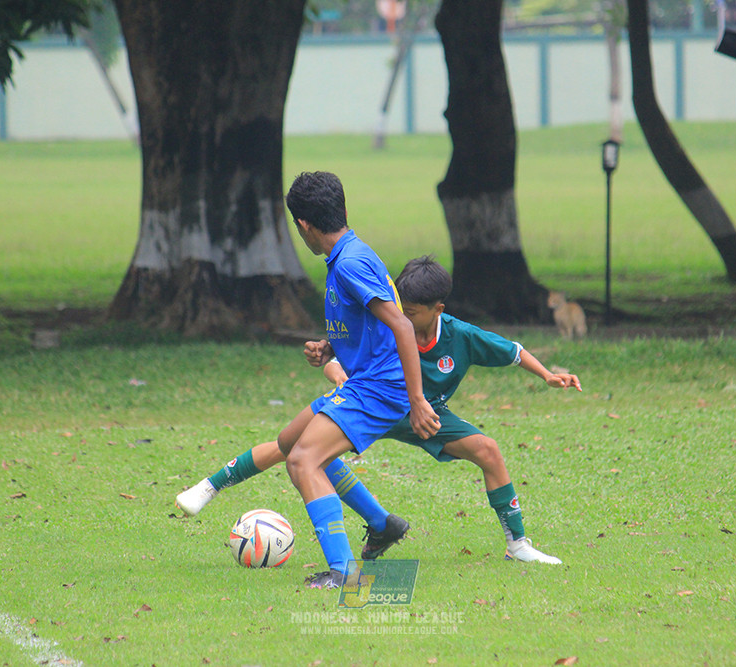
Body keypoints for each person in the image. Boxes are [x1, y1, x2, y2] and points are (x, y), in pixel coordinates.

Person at [177, 255, 581, 565]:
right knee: (294, 446)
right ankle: (211, 485)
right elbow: (345, 349)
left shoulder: (460, 336)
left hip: (426, 415)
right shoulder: (387, 322)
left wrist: (548, 375)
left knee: (488, 450)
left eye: (412, 311)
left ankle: (518, 545)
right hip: (370, 401)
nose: (402, 316)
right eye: (400, 307)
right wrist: (329, 357)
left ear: (438, 309)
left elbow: (512, 351)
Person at [233, 171, 440, 590]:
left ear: (304, 225)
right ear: (342, 210)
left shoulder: (348, 264)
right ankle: (382, 524)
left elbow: (401, 326)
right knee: (293, 442)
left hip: (380, 387)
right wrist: (331, 347)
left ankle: (344, 573)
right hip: (369, 380)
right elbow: (372, 322)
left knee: (302, 460)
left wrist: (418, 400)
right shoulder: (350, 253)